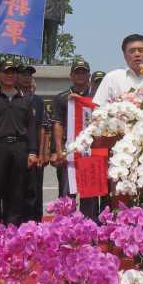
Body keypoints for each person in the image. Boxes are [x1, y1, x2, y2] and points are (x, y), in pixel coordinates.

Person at [0, 59, 39, 225]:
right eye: (6, 72)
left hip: (20, 148)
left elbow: (32, 127)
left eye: (13, 72)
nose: (10, 75)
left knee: (17, 192)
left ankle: (13, 229)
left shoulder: (26, 99)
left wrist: (33, 151)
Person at [51, 59, 96, 212]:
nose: (80, 75)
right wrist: (58, 150)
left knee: (89, 196)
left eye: (83, 72)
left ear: (89, 75)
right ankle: (64, 230)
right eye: (77, 72)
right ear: (71, 75)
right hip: (68, 151)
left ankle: (89, 229)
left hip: (90, 152)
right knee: (66, 194)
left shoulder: (97, 98)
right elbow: (58, 124)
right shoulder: (61, 98)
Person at [92, 34, 143, 106]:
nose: (137, 54)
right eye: (132, 51)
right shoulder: (112, 78)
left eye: (141, 50)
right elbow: (98, 108)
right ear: (124, 55)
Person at [17, 64, 47, 222]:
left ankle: (35, 223)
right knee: (16, 190)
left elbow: (42, 127)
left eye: (29, 75)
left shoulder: (38, 101)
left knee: (34, 192)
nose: (26, 78)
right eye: (23, 74)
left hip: (34, 150)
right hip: (16, 150)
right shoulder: (13, 98)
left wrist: (41, 153)